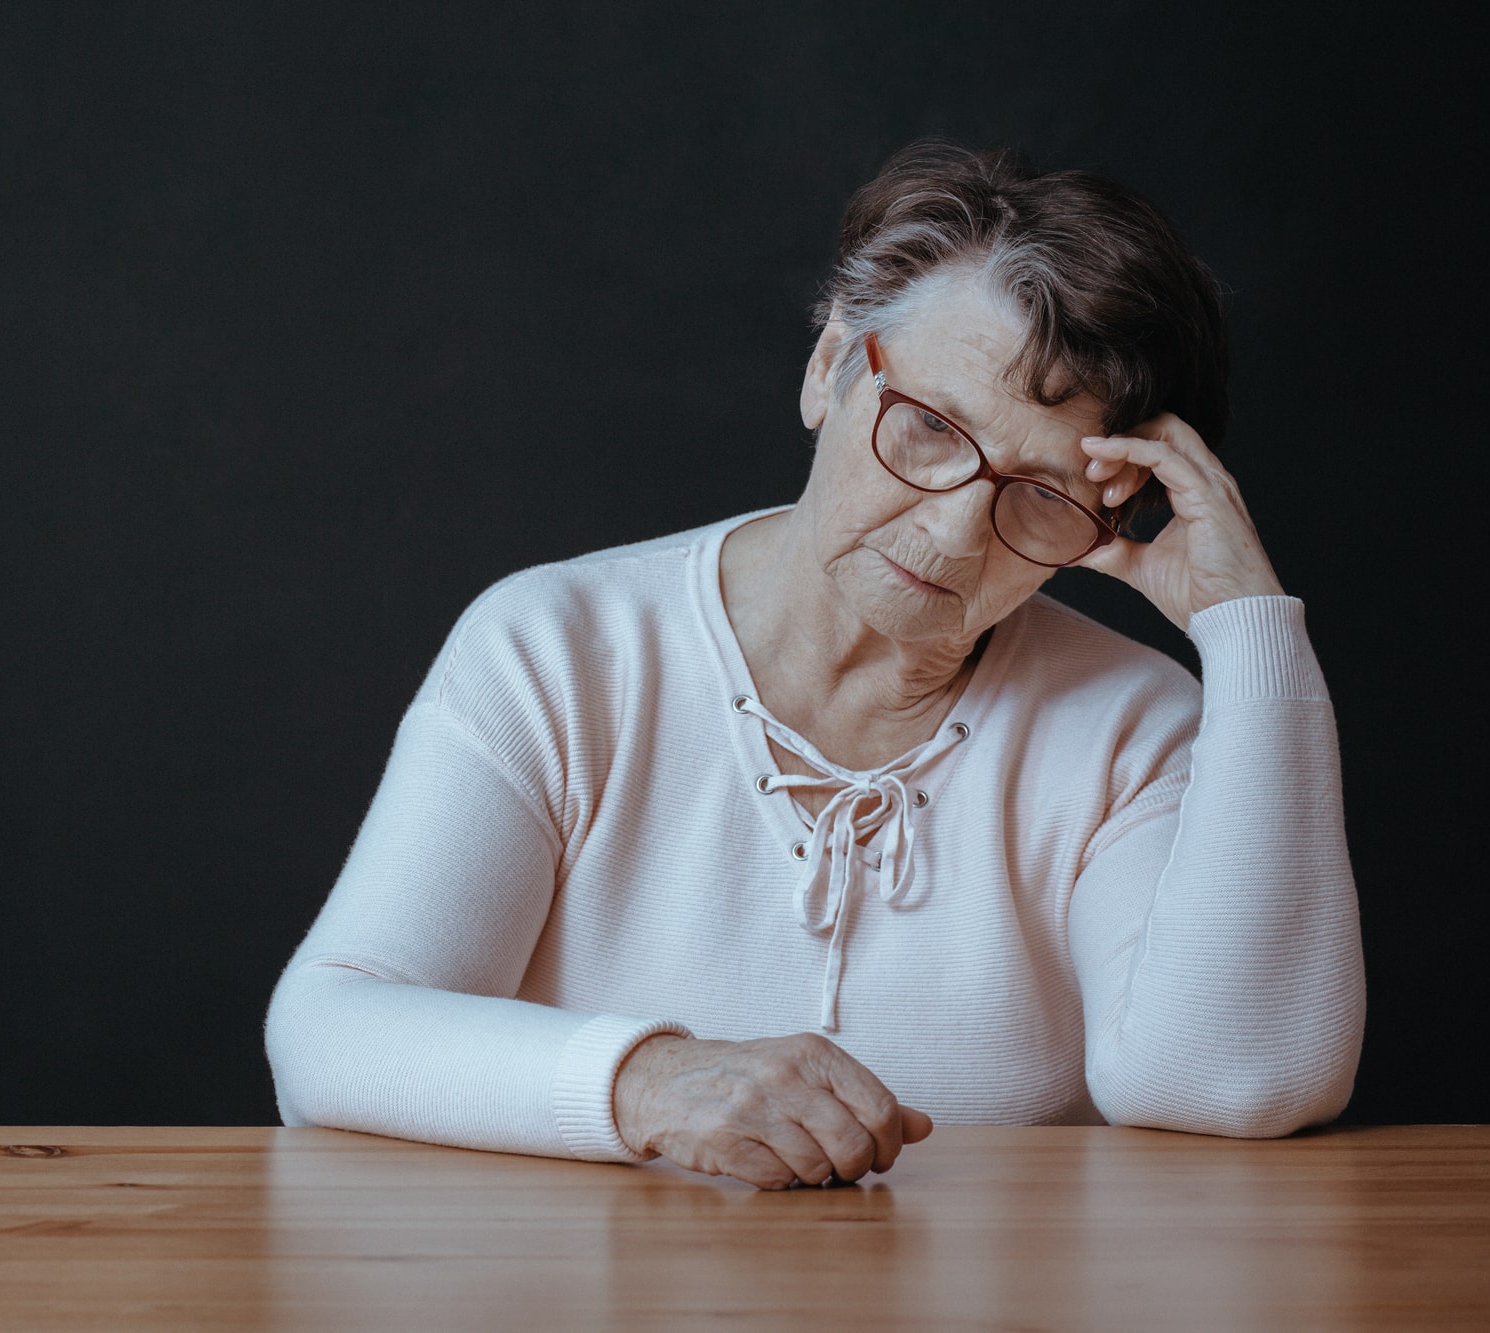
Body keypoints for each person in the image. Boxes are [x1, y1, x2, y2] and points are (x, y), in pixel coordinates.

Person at [264, 141, 1365, 1190]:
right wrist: (646, 1080)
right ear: (831, 363)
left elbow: (1232, 1078)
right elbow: (328, 1033)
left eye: (1042, 496)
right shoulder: (560, 649)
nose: (950, 536)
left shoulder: (1133, 727)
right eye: (929, 427)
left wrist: (1249, 628)